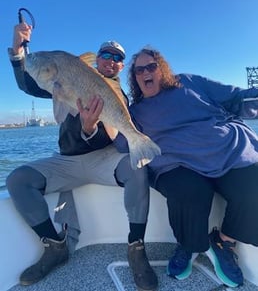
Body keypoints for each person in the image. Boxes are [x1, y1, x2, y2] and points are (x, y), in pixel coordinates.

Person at [6, 25, 158, 291]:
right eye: (106, 55)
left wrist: (90, 129)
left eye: (117, 58)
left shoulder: (117, 94)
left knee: (137, 169)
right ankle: (55, 246)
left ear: (122, 67)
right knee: (18, 180)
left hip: (104, 159)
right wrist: (19, 51)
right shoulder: (68, 73)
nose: (111, 61)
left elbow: (110, 135)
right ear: (97, 58)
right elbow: (27, 83)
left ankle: (136, 247)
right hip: (67, 161)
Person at [113, 46, 258, 288]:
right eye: (139, 70)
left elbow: (235, 98)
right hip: (177, 162)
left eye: (151, 66)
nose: (145, 72)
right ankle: (188, 245)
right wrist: (95, 121)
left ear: (162, 69)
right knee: (188, 193)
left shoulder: (190, 82)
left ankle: (224, 241)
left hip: (228, 150)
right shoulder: (135, 112)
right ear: (135, 78)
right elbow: (121, 142)